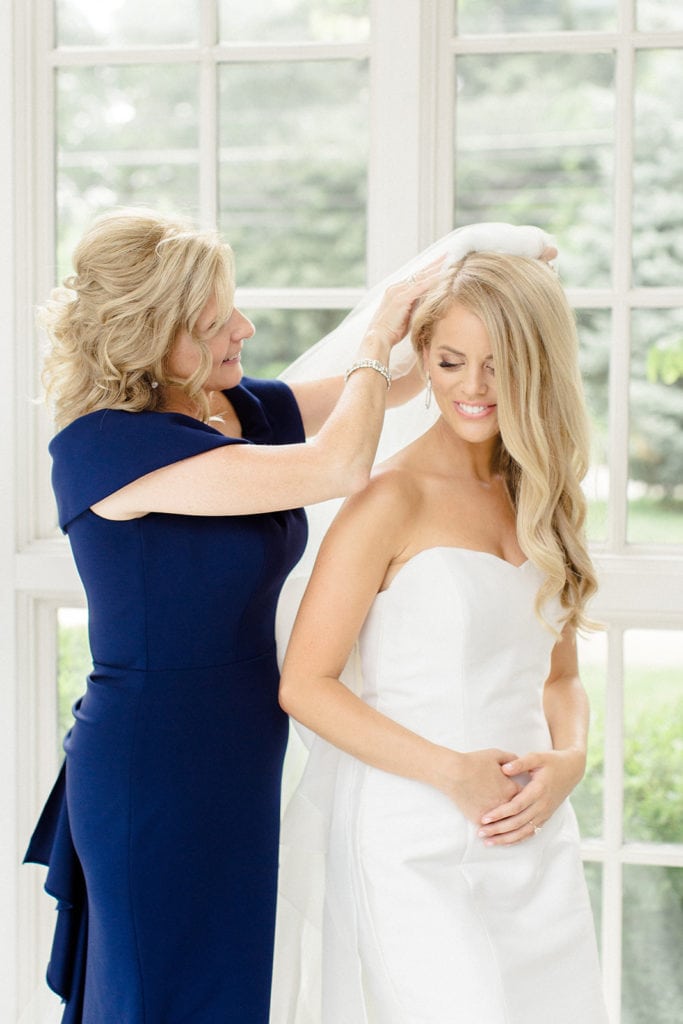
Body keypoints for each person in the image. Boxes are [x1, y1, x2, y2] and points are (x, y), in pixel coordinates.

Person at [23, 206, 446, 1024]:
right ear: (150, 338)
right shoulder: (104, 448)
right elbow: (341, 464)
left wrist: (462, 293)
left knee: (228, 990)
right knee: (160, 993)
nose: (244, 329)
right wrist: (371, 336)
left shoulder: (229, 409)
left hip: (240, 753)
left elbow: (394, 388)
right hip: (154, 763)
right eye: (216, 323)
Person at [273, 251, 609, 1023]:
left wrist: (569, 761)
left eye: (499, 364)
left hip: (531, 834)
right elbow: (306, 685)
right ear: (421, 358)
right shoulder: (386, 500)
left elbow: (557, 678)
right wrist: (449, 772)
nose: (473, 387)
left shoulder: (546, 497)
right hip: (411, 833)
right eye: (451, 361)